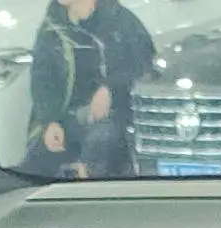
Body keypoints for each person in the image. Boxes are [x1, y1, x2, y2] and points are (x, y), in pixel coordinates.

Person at [26, 0, 154, 178]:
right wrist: (50, 121)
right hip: (67, 118)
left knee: (100, 143)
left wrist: (110, 88)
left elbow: (143, 62)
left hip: (114, 117)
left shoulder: (119, 20)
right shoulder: (53, 26)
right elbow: (43, 81)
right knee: (32, 166)